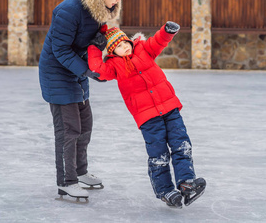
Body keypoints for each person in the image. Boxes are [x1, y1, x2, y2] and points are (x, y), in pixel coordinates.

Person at [87, 22, 206, 208]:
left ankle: (186, 182)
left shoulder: (144, 50)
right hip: (148, 117)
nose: (125, 46)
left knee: (181, 144)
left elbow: (157, 42)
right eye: (118, 46)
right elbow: (97, 70)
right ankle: (165, 191)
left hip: (170, 108)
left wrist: (167, 32)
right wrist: (94, 47)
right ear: (111, 52)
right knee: (158, 154)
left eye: (125, 42)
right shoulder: (113, 66)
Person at [38, 0, 127, 199]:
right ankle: (66, 181)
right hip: (57, 72)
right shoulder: (68, 10)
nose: (118, 1)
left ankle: (79, 172)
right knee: (69, 130)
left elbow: (90, 43)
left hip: (77, 70)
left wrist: (111, 45)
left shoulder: (99, 11)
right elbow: (61, 50)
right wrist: (89, 71)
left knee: (85, 125)